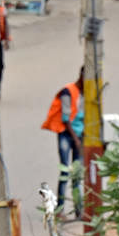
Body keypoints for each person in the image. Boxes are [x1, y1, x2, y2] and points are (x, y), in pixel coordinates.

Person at [40, 68, 84, 218]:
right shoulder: (68, 92)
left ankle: (79, 210)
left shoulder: (87, 93)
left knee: (77, 175)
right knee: (65, 172)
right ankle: (60, 210)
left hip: (80, 135)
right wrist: (76, 139)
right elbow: (66, 118)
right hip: (67, 134)